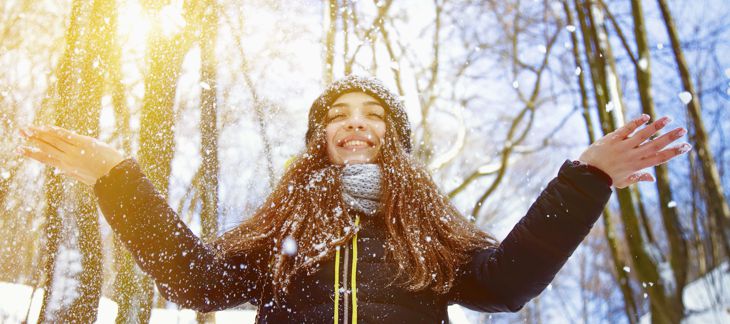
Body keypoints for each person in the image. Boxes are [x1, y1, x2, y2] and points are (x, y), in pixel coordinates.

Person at [17, 75, 691, 323]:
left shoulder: (430, 230)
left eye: (372, 113)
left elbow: (507, 284)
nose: (355, 121)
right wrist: (118, 179)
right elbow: (198, 281)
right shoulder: (281, 226)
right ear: (321, 139)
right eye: (340, 114)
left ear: (391, 140)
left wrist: (587, 176)